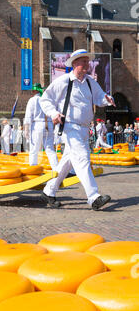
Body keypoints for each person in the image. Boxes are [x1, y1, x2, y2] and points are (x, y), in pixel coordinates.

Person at [40, 49, 115, 211]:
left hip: (84, 128)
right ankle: (93, 197)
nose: (88, 64)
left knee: (68, 161)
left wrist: (108, 99)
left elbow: (100, 96)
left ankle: (49, 190)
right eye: (84, 61)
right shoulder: (64, 81)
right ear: (75, 64)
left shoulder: (90, 81)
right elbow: (45, 99)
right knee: (82, 159)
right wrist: (53, 113)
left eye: (88, 61)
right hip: (69, 127)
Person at [24, 83, 58, 170]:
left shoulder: (32, 100)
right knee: (50, 149)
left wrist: (26, 129)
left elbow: (28, 116)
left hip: (37, 125)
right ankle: (56, 168)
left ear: (34, 91)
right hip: (48, 124)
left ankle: (33, 168)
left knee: (34, 149)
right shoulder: (47, 99)